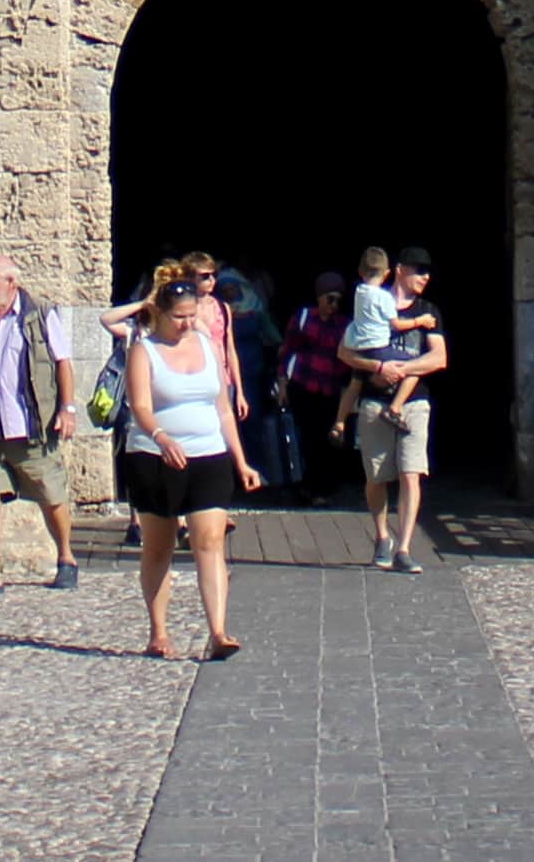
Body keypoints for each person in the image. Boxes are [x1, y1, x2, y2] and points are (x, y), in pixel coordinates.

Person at [103, 259, 258, 657]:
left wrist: (241, 460)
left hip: (209, 455)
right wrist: (160, 436)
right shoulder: (145, 350)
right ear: (161, 314)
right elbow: (139, 405)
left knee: (209, 540)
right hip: (155, 458)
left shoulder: (207, 346)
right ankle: (158, 633)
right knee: (160, 546)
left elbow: (223, 409)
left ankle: (219, 632)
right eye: (179, 317)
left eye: (191, 315)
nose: (186, 324)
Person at [0, 256, 81, 596]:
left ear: (11, 282)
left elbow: (62, 363)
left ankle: (67, 558)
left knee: (51, 496)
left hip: (30, 424)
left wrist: (66, 409)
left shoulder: (39, 314)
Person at [353, 250, 450, 572]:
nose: (425, 277)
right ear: (399, 270)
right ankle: (382, 535)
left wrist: (404, 368)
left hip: (414, 402)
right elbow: (345, 351)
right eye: (419, 270)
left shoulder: (427, 310)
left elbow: (439, 358)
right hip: (374, 399)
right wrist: (379, 366)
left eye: (428, 271)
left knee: (411, 473)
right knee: (376, 477)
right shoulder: (371, 304)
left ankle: (405, 547)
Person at [213, 256, 298, 496]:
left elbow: (274, 337)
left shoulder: (254, 309)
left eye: (232, 288)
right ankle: (227, 475)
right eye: (225, 289)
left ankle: (253, 472)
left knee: (252, 425)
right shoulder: (217, 313)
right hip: (224, 377)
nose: (229, 293)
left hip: (251, 376)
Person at [278, 274, 356, 504]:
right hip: (303, 384)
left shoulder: (343, 324)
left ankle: (323, 489)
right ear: (320, 297)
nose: (333, 305)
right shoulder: (303, 318)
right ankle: (305, 487)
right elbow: (287, 350)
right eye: (330, 299)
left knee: (327, 440)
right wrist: (282, 384)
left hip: (330, 387)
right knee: (306, 437)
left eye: (338, 300)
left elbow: (346, 359)